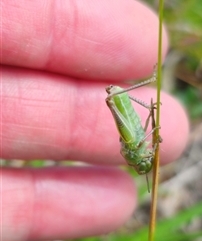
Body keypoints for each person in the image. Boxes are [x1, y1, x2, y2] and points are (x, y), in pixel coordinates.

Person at [1, 1, 189, 240]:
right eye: (147, 163)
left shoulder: (135, 152)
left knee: (122, 105)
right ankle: (149, 80)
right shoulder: (141, 151)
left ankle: (145, 84)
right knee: (132, 110)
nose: (148, 161)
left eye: (144, 165)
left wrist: (152, 121)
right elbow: (146, 133)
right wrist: (152, 118)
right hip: (129, 121)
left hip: (125, 119)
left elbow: (141, 139)